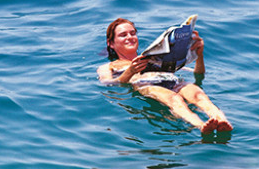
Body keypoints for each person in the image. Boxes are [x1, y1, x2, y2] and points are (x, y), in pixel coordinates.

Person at [97, 18, 233, 135]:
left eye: (133, 33)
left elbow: (199, 74)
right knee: (173, 98)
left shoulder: (154, 57)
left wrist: (199, 54)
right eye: (123, 35)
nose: (129, 37)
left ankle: (222, 121)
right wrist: (130, 72)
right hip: (146, 84)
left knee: (198, 94)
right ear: (111, 43)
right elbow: (109, 84)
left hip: (172, 81)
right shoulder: (108, 66)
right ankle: (201, 126)